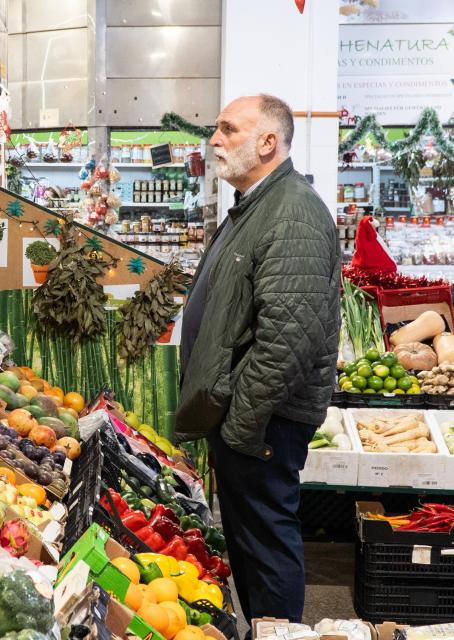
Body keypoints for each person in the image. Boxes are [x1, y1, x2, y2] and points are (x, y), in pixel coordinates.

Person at [173, 95, 340, 630]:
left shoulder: (293, 212)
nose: (215, 139)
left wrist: (241, 423)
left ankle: (278, 631)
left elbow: (288, 341)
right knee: (249, 542)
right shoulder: (256, 206)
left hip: (263, 421)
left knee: (266, 544)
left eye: (229, 129)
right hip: (246, 418)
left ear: (268, 142)